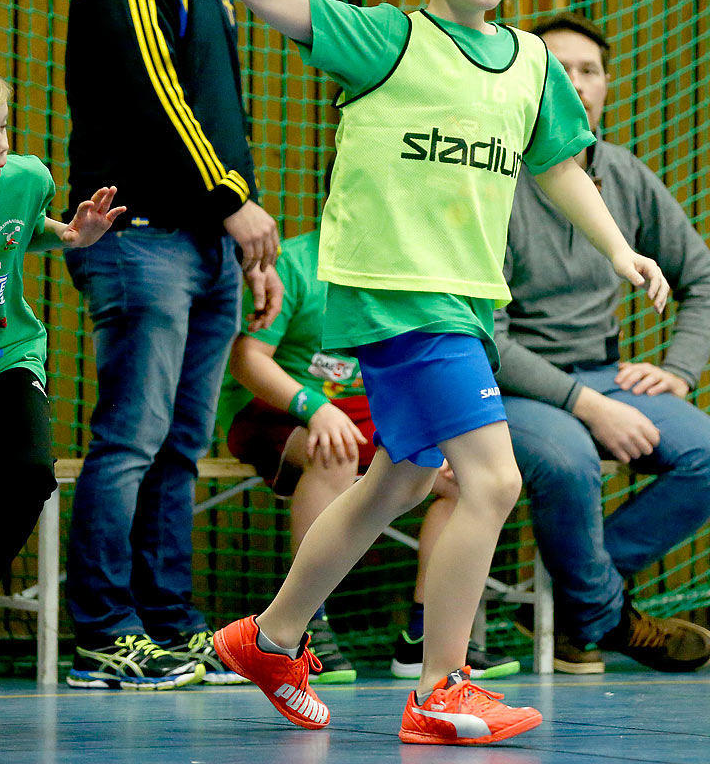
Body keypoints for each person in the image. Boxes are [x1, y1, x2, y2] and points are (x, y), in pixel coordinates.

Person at [211, 0, 670, 745]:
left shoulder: (532, 62)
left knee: (401, 481)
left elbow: (558, 167)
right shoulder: (389, 37)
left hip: (464, 299)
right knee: (492, 479)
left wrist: (621, 249)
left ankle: (268, 639)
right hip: (395, 293)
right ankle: (441, 689)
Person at [62, 0, 282, 691]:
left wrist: (247, 240)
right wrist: (236, 201)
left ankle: (167, 622)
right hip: (141, 242)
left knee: (179, 446)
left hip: (202, 246)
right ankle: (102, 633)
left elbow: (222, 123)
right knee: (131, 442)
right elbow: (162, 105)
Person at [495, 12, 710, 674]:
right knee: (571, 458)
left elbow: (705, 279)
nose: (575, 83)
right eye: (557, 69)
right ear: (527, 81)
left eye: (588, 71)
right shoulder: (492, 177)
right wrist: (583, 403)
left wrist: (679, 371)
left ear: (606, 86)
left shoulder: (626, 175)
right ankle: (604, 620)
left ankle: (570, 599)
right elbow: (482, 338)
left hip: (605, 373)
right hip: (513, 387)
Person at [218, 226, 522, 682]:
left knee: (465, 477)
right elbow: (246, 360)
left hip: (364, 410)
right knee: (333, 451)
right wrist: (314, 409)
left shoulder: (409, 267)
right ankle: (303, 627)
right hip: (280, 408)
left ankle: (422, 637)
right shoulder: (296, 262)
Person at [0, 68, 124, 593]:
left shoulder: (25, 179)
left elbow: (23, 228)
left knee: (29, 474)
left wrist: (69, 234)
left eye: (2, 127)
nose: (0, 146)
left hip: (8, 351)